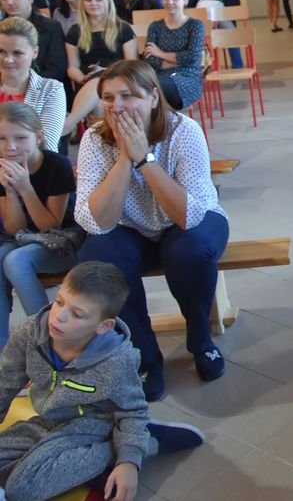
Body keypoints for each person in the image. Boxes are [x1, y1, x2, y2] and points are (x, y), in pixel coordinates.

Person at [75, 60, 230, 402]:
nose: (116, 106)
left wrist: (144, 158)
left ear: (153, 98)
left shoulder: (184, 131)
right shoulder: (94, 140)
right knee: (99, 258)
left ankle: (200, 340)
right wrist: (124, 158)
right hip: (130, 227)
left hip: (190, 221)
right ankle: (145, 357)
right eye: (108, 97)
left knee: (190, 251)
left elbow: (188, 216)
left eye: (127, 95)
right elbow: (95, 222)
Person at [0, 262, 205, 501]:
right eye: (59, 302)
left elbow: (132, 410)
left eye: (77, 314)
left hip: (93, 426)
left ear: (103, 326)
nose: (59, 316)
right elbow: (6, 380)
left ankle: (146, 442)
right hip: (48, 420)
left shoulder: (116, 361)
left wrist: (129, 460)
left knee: (22, 489)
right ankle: (81, 469)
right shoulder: (29, 333)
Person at [0, 103, 77, 347]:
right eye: (2, 138)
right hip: (25, 238)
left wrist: (25, 187)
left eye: (20, 138)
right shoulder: (3, 168)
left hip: (64, 241)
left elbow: (49, 225)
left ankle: (45, 340)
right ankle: (3, 346)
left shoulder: (57, 165)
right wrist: (10, 191)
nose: (10, 146)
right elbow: (14, 228)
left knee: (16, 260)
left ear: (39, 137)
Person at [62, 0, 138, 136]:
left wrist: (105, 71)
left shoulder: (123, 28)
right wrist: (82, 78)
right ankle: (107, 139)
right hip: (86, 83)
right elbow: (72, 67)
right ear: (82, 3)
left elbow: (132, 64)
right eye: (88, 0)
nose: (93, 4)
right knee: (99, 97)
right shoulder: (75, 31)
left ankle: (68, 125)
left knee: (101, 84)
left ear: (107, 2)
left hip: (119, 78)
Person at [0, 17, 65, 152]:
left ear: (35, 52)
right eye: (1, 52)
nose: (8, 60)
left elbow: (47, 146)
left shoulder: (51, 89)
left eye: (17, 53)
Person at [141, 0, 203, 111]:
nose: (170, 2)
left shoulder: (195, 25)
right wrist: (179, 61)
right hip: (159, 76)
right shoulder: (155, 27)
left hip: (188, 78)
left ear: (185, 0)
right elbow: (150, 59)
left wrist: (160, 54)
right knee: (144, 87)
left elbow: (192, 56)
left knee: (155, 89)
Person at [0, 0, 67, 84]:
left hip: (42, 85)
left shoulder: (51, 27)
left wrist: (26, 86)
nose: (9, 2)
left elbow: (56, 68)